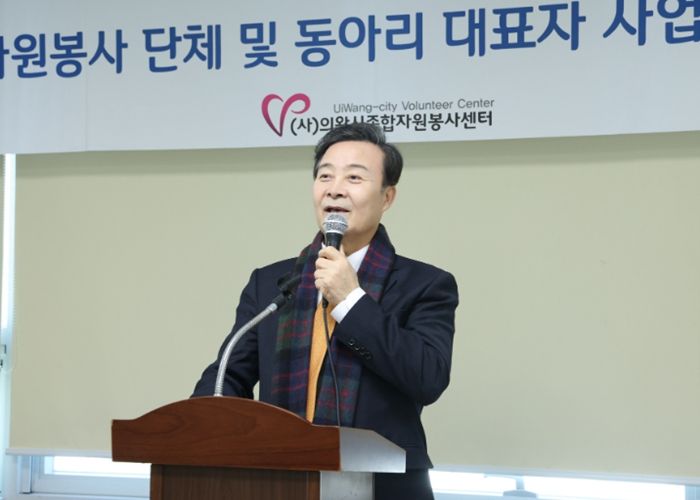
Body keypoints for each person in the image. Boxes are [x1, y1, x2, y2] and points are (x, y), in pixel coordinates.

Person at [193, 122, 458, 500]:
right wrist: (196, 430)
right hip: (279, 481)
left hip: (384, 487)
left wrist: (350, 300)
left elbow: (427, 377)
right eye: (325, 176)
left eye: (354, 177)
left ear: (387, 197)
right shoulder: (272, 284)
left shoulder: (425, 285)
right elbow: (227, 377)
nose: (335, 188)